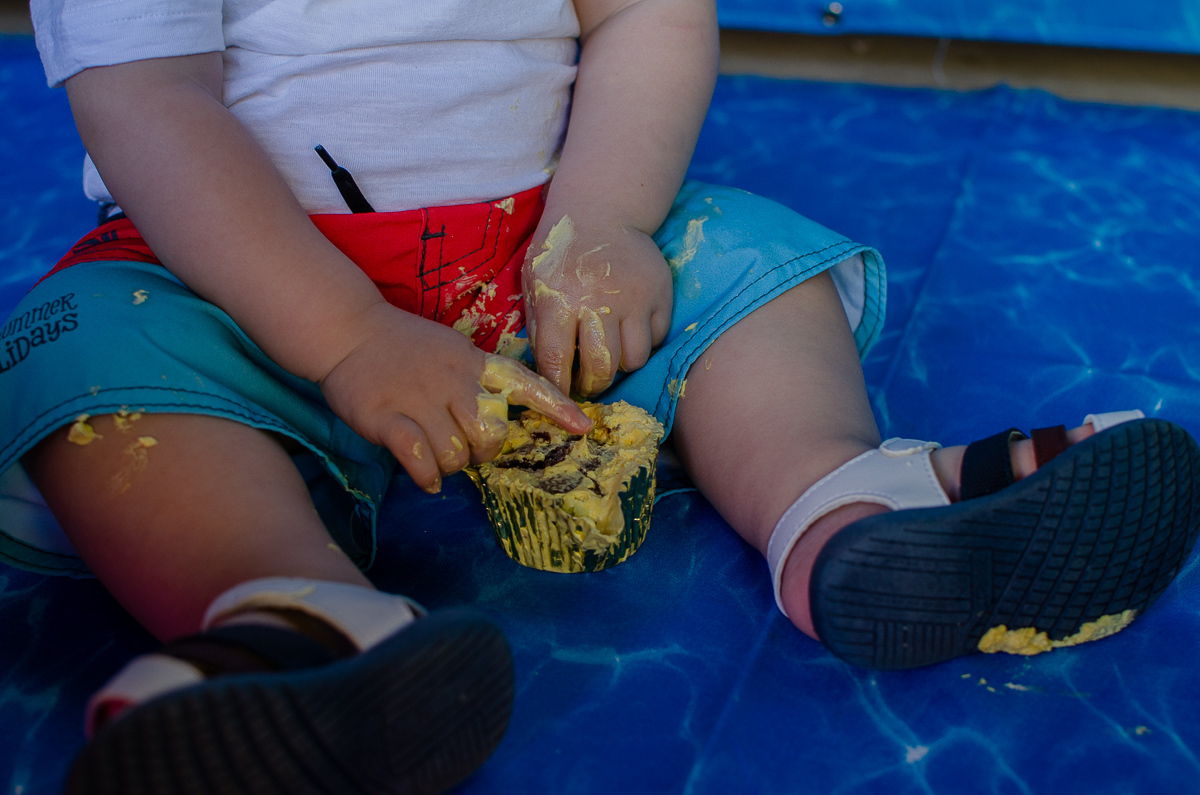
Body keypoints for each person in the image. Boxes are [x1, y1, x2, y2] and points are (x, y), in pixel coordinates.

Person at [3, 0, 1197, 792]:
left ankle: (842, 505)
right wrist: (347, 336)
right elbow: (152, 101)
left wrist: (611, 222)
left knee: (731, 258)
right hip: (237, 282)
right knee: (93, 362)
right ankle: (290, 617)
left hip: (539, 252)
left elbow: (644, 14)